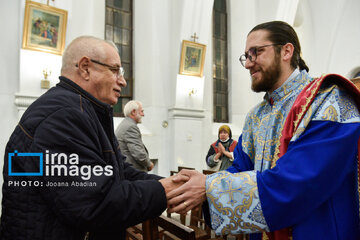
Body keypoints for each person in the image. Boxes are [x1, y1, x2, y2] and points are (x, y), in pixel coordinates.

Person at [167, 21, 360, 240]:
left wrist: (209, 186)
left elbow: (300, 181)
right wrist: (198, 187)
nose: (248, 64)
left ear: (286, 51)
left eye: (256, 52)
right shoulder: (255, 116)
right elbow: (240, 169)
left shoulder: (329, 100)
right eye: (246, 56)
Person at [0, 36, 186, 240]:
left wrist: (175, 183)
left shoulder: (83, 111)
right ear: (85, 68)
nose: (122, 81)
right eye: (115, 70)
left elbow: (119, 172)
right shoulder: (62, 116)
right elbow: (95, 203)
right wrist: (166, 190)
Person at [115, 100, 154, 172]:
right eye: (141, 111)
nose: (143, 114)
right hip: (134, 173)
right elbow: (138, 153)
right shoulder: (130, 127)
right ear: (133, 112)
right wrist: (149, 164)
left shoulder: (126, 124)